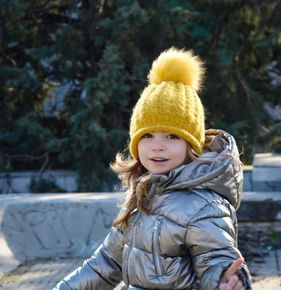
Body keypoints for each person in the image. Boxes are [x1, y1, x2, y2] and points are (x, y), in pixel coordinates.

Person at [54, 47, 252, 290]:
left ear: (191, 145)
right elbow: (104, 264)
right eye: (147, 136)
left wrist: (225, 281)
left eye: (171, 137)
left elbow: (216, 259)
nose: (157, 147)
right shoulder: (142, 195)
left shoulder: (203, 206)